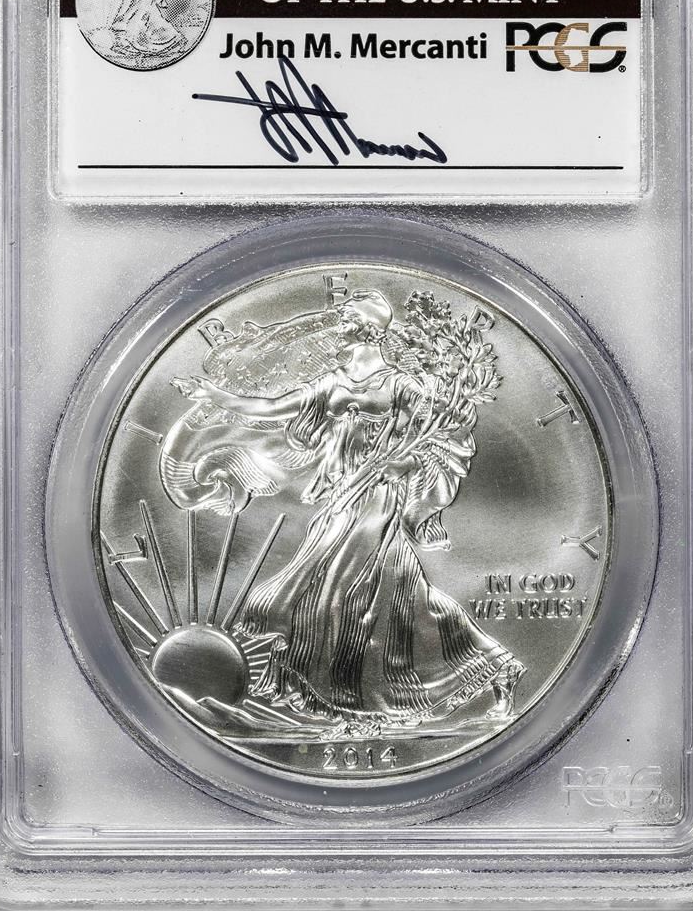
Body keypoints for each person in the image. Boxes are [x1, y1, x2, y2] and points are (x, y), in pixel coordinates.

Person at [160, 291, 524, 732]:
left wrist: (404, 463)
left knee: (342, 592)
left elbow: (437, 440)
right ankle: (492, 667)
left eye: (347, 319)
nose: (340, 326)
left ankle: (361, 706)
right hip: (341, 495)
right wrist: (217, 395)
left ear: (368, 329)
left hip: (379, 497)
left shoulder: (402, 386)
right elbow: (274, 409)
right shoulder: (332, 382)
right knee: (396, 597)